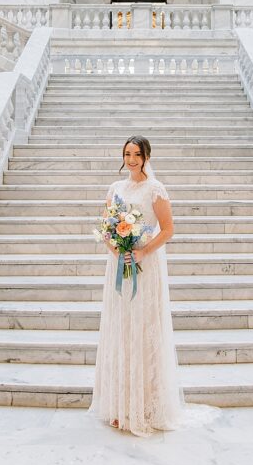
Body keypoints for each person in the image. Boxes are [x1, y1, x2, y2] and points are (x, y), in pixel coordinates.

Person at [88, 135, 219, 437]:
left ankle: (145, 406)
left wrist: (143, 251)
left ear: (147, 156)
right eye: (127, 154)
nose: (131, 159)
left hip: (146, 266)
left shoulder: (155, 190)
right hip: (120, 265)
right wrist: (116, 248)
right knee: (121, 329)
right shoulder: (115, 189)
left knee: (144, 329)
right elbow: (107, 225)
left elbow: (168, 229)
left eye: (137, 154)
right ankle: (120, 407)